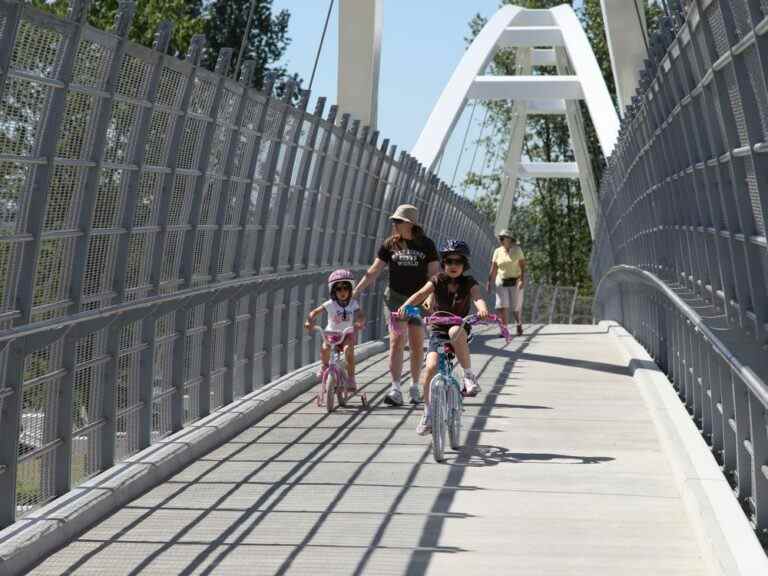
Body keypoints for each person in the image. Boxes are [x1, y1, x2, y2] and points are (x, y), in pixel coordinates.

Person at [398, 240, 489, 435]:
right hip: (438, 330)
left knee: (455, 331)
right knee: (430, 368)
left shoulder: (469, 282)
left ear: (464, 265)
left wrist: (482, 309)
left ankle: (468, 376)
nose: (453, 266)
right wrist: (406, 305)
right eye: (449, 261)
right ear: (444, 263)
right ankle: (428, 413)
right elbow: (421, 294)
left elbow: (477, 297)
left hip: (459, 328)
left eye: (458, 261)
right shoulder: (437, 280)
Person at [352, 204, 439, 406]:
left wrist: (430, 297)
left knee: (417, 343)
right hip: (395, 299)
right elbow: (374, 271)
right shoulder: (390, 244)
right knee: (396, 340)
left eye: (398, 221)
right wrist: (356, 291)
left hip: (417, 301)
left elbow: (434, 274)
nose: (394, 224)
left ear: (409, 223)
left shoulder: (426, 245)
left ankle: (415, 386)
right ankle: (395, 388)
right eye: (394, 221)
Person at [305, 269, 366, 390]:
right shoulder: (330, 304)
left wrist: (359, 322)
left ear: (350, 289)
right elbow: (315, 312)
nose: (343, 292)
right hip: (331, 335)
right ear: (333, 291)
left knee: (349, 351)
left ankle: (351, 378)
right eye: (339, 289)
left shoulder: (353, 304)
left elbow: (360, 314)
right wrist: (309, 321)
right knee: (325, 348)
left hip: (346, 334)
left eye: (346, 288)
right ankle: (324, 366)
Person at [487, 229, 526, 336]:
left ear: (509, 239)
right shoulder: (497, 251)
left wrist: (522, 279)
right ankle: (504, 329)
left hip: (515, 280)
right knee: (501, 305)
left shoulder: (517, 250)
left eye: (503, 238)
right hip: (501, 281)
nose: (501, 240)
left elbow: (522, 266)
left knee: (515, 307)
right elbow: (494, 268)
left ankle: (518, 323)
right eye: (500, 238)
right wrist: (489, 281)